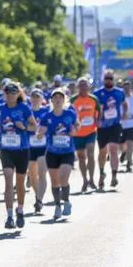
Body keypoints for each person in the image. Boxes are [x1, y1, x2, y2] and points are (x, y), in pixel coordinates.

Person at [0, 82, 37, 229]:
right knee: (7, 179)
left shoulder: (24, 108)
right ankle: (9, 216)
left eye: (14, 92)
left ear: (18, 94)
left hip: (22, 149)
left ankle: (20, 210)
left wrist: (24, 127)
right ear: (4, 94)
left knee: (20, 183)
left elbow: (34, 126)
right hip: (6, 149)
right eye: (8, 92)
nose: (11, 94)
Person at [39, 89, 79, 220]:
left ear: (64, 100)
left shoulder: (70, 114)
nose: (57, 100)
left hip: (67, 151)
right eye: (55, 98)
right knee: (55, 181)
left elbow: (77, 126)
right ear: (51, 100)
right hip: (52, 152)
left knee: (64, 178)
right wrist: (40, 133)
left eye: (60, 98)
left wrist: (74, 130)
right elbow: (40, 131)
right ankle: (57, 206)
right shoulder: (47, 116)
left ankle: (66, 201)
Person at [94, 70, 126, 190]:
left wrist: (124, 114)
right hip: (102, 127)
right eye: (107, 78)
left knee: (113, 149)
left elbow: (124, 104)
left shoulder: (119, 92)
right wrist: (97, 120)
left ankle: (114, 175)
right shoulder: (98, 93)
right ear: (104, 79)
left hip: (115, 125)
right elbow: (94, 109)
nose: (108, 80)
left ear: (113, 80)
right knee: (102, 152)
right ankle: (102, 173)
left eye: (110, 78)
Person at [70, 78, 100, 192]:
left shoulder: (93, 99)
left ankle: (92, 179)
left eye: (85, 85)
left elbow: (99, 110)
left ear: (89, 87)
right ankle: (85, 180)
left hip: (91, 131)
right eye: (81, 86)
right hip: (78, 133)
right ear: (78, 87)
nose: (83, 88)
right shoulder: (73, 100)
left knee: (91, 153)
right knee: (81, 157)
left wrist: (98, 121)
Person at [27, 89, 50, 214]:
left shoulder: (46, 111)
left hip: (43, 146)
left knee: (42, 173)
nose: (35, 99)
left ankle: (39, 199)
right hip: (30, 146)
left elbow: (50, 125)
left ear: (42, 99)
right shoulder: (27, 111)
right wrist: (32, 128)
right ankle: (37, 195)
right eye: (33, 97)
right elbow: (24, 127)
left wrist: (43, 130)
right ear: (30, 99)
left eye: (38, 97)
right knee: (32, 175)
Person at [119, 81, 133, 173]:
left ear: (130, 88)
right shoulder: (119, 98)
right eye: (125, 88)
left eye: (128, 87)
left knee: (130, 142)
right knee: (121, 145)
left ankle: (129, 161)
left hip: (132, 124)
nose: (126, 89)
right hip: (120, 124)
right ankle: (124, 152)